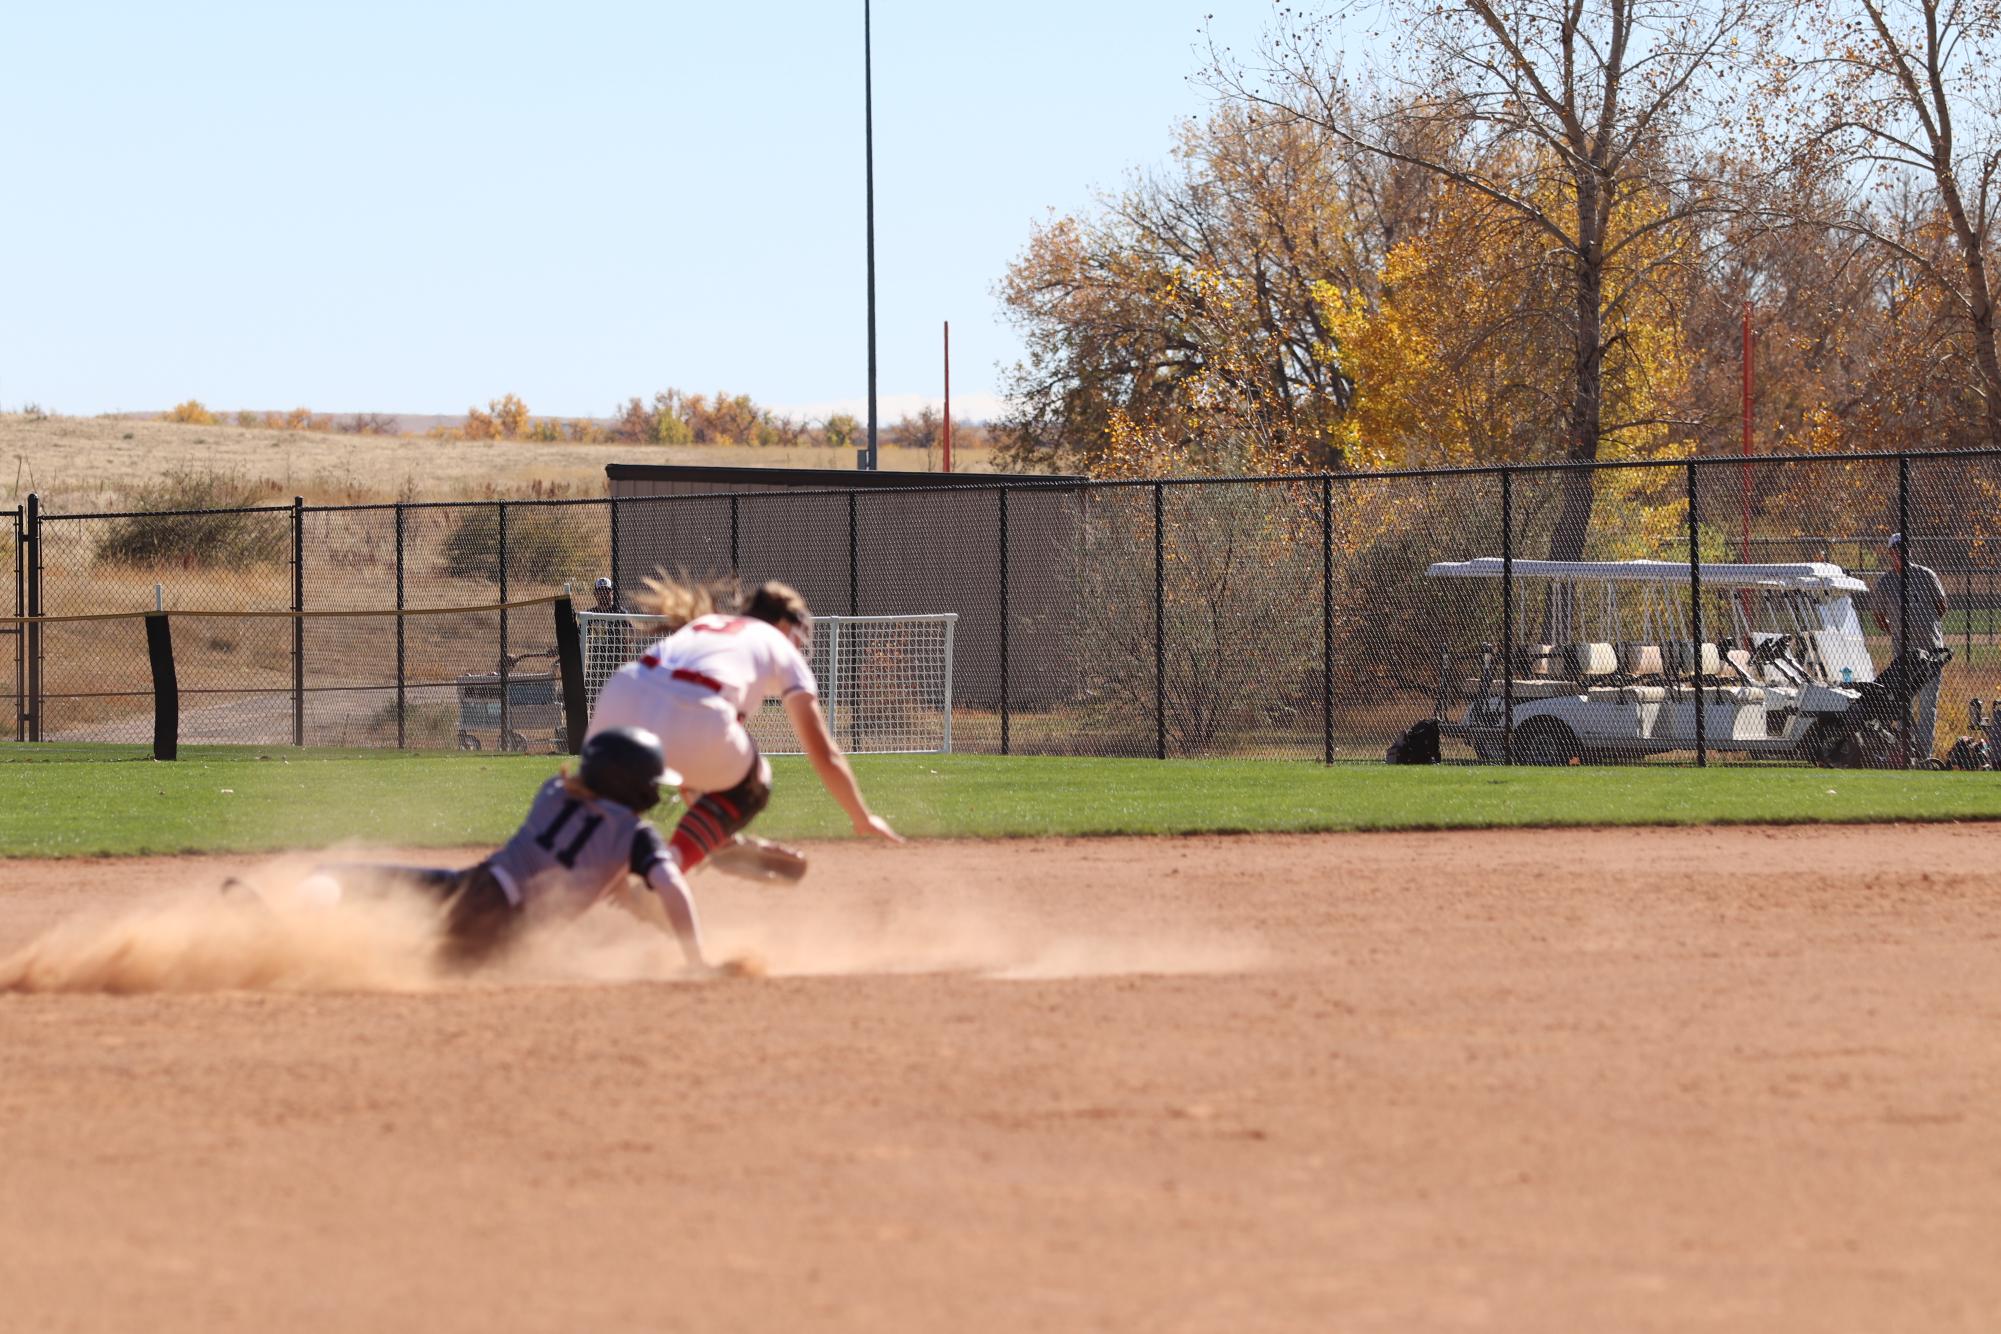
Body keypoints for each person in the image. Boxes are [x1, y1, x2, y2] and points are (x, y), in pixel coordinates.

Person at [259, 727, 716, 973]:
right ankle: (297, 953)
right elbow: (665, 888)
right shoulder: (634, 836)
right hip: (514, 944)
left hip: (481, 894)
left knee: (339, 878)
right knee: (423, 962)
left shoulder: (553, 791)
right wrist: (696, 960)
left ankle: (279, 939)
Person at [585, 576, 902, 880]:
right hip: (697, 707)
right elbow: (823, 752)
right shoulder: (774, 642)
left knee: (589, 812)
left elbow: (690, 771)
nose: (799, 640)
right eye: (797, 629)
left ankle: (559, 885)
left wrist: (714, 833)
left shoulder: (707, 625)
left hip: (619, 695)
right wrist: (862, 816)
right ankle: (665, 872)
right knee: (756, 779)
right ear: (781, 623)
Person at [1872, 531, 1948, 761]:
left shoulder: (1926, 575)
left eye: (1904, 549)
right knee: (1902, 704)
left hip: (1931, 652)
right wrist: (1894, 630)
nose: (1900, 554)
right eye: (1895, 550)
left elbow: (1942, 605)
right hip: (1904, 656)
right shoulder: (1885, 582)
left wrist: (1924, 625)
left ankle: (1924, 755)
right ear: (1890, 553)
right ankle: (1908, 752)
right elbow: (1877, 616)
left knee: (1928, 705)